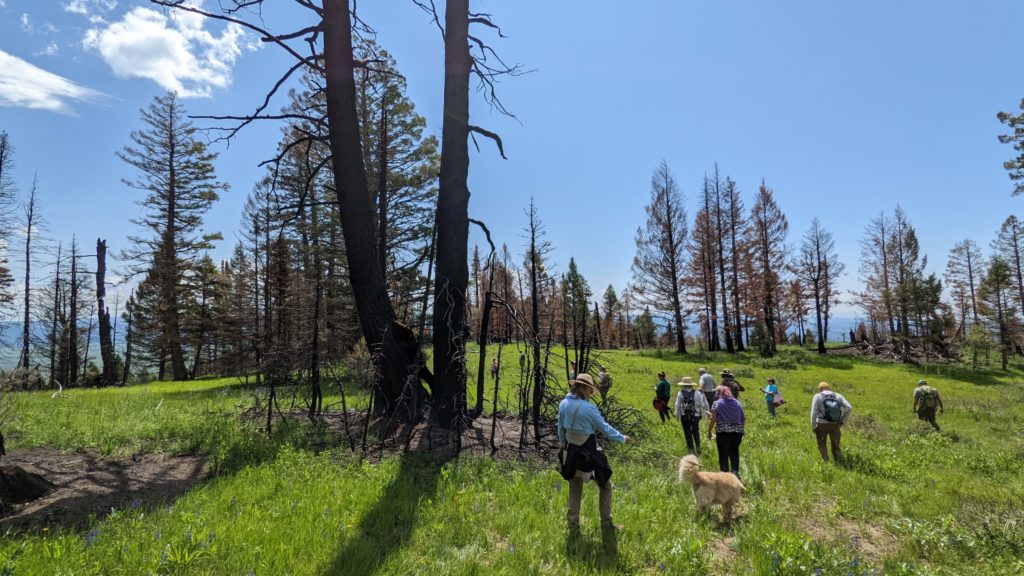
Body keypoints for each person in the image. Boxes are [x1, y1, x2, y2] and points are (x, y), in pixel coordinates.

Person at [557, 373, 631, 533]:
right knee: (605, 484)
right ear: (584, 389)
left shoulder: (563, 404)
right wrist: (622, 438)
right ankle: (606, 523)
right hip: (589, 455)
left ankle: (573, 525)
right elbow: (604, 429)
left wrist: (564, 446)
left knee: (575, 488)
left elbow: (560, 428)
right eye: (590, 390)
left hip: (570, 453)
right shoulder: (589, 409)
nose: (591, 393)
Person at [810, 382, 853, 464]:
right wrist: (842, 421)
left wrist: (813, 426)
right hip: (835, 425)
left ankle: (826, 462)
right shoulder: (838, 396)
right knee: (835, 444)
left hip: (821, 424)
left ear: (820, 389)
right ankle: (839, 461)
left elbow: (814, 412)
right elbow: (849, 407)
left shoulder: (817, 396)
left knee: (822, 444)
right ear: (829, 388)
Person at [707, 386, 745, 476]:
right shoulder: (737, 402)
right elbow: (743, 418)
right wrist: (742, 430)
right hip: (738, 433)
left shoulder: (717, 403)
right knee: (734, 452)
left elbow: (713, 419)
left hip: (723, 433)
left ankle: (725, 475)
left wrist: (709, 432)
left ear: (718, 393)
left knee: (723, 454)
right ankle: (735, 473)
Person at [675, 376, 710, 454]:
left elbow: (677, 405)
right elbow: (701, 405)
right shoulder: (697, 393)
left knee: (688, 433)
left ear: (683, 385)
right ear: (691, 385)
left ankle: (691, 450)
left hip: (685, 416)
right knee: (696, 432)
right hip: (695, 416)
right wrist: (702, 414)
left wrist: (677, 416)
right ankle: (698, 448)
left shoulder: (680, 393)